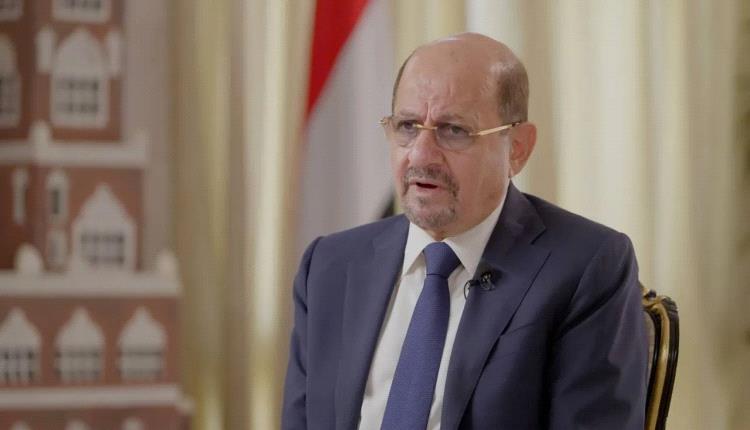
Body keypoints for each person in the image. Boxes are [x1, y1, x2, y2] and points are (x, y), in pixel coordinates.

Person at [282, 32, 647, 430]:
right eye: (407, 126)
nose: (420, 154)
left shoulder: (586, 267)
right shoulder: (330, 266)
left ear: (518, 147)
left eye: (453, 130)